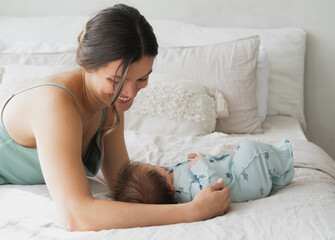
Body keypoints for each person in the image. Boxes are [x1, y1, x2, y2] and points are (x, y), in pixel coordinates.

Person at [0, 4, 231, 231]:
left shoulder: (107, 102)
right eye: (116, 80)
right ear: (86, 66)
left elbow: (122, 183)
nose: (130, 93)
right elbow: (78, 216)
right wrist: (191, 212)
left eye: (142, 79)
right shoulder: (54, 104)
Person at [114, 139, 294, 204]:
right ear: (169, 191)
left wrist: (198, 161)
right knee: (250, 149)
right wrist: (202, 166)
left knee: (244, 156)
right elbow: (213, 189)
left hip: (238, 176)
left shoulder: (173, 181)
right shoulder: (186, 192)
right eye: (155, 170)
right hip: (244, 184)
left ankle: (276, 179)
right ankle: (285, 162)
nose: (158, 167)